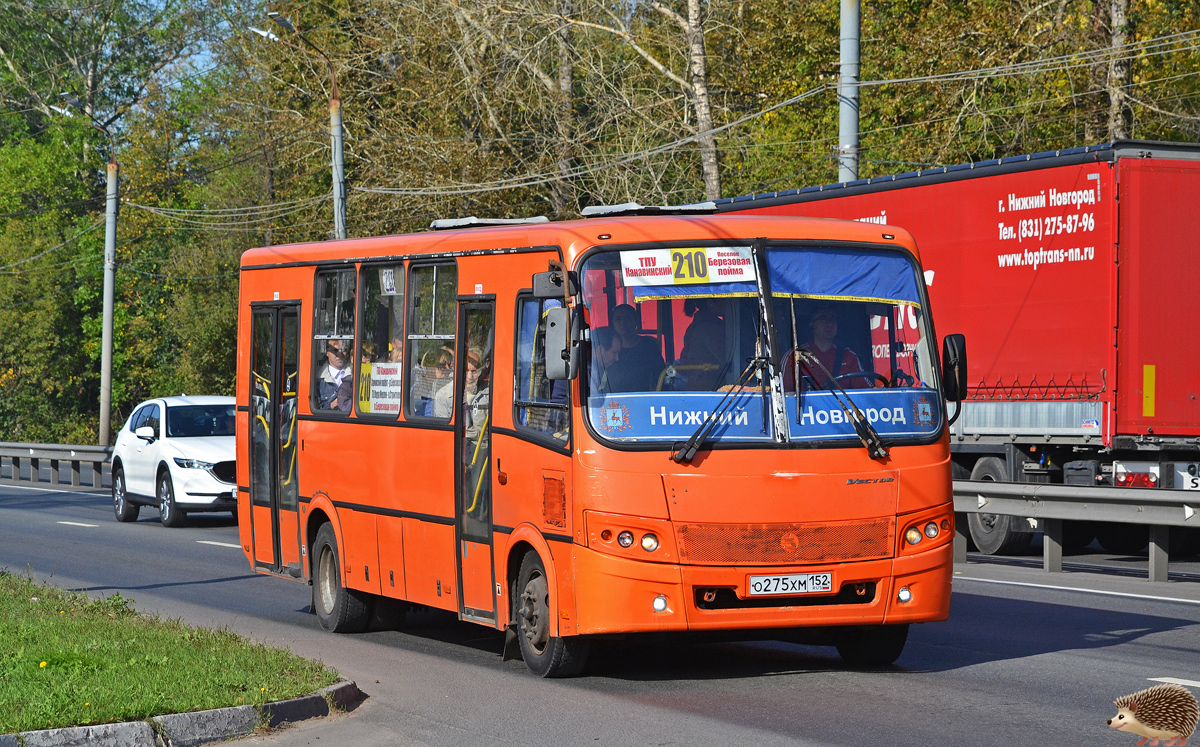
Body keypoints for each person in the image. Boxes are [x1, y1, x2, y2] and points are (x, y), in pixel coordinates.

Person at [784, 304, 868, 390]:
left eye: (833, 319)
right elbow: (785, 394)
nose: (829, 324)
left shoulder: (849, 356)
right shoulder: (796, 355)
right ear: (812, 325)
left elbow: (866, 392)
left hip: (842, 403)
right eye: (823, 319)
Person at [610, 304, 667, 391]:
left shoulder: (649, 346)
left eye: (627, 318)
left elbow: (660, 376)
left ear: (635, 321)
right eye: (618, 319)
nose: (622, 322)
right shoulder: (608, 349)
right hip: (614, 401)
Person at [676, 298, 727, 390]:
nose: (727, 304)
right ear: (711, 303)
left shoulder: (698, 325)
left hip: (700, 384)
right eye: (724, 299)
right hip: (710, 386)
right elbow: (726, 359)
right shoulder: (709, 328)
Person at [412, 346, 452, 416]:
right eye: (442, 366)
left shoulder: (450, 387)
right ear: (430, 368)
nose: (448, 369)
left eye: (449, 365)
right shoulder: (419, 390)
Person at [316, 340, 353, 411]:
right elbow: (315, 407)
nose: (340, 354)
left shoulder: (354, 374)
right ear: (327, 352)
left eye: (343, 350)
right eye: (335, 350)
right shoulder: (320, 379)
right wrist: (330, 405)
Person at [588, 327, 622, 395]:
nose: (617, 358)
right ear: (600, 350)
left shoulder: (598, 369)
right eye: (614, 352)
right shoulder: (580, 373)